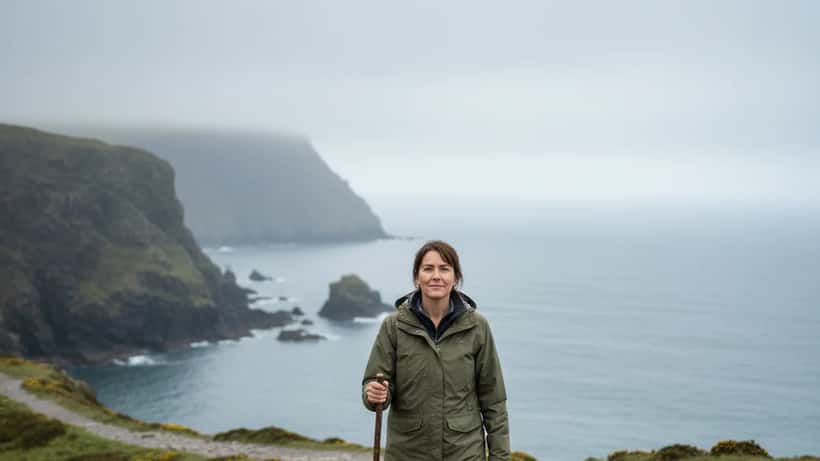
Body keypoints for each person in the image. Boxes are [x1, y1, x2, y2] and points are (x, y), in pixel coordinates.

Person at [362, 240, 510, 460]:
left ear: (455, 278)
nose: (436, 276)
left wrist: (499, 457)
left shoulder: (477, 327)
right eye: (428, 269)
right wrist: (374, 394)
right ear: (416, 277)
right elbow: (375, 386)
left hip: (464, 454)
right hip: (407, 453)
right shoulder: (393, 326)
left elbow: (494, 400)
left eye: (444, 269)